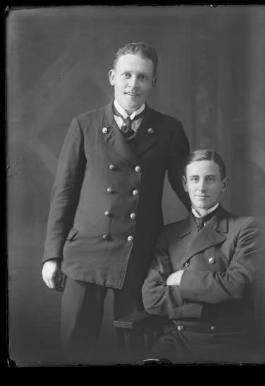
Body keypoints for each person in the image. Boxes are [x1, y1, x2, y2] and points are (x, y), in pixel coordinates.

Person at [41, 42, 190, 362]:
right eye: (126, 75)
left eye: (142, 77)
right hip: (86, 254)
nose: (133, 84)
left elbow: (187, 190)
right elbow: (64, 192)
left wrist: (214, 236)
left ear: (153, 83)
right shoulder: (85, 125)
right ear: (112, 77)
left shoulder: (169, 129)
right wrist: (52, 255)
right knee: (75, 349)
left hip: (140, 255)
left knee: (137, 350)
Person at [142, 149, 259, 363]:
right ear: (185, 185)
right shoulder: (168, 234)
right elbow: (151, 298)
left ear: (223, 184)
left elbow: (238, 286)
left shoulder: (244, 228)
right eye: (195, 179)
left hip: (223, 340)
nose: (202, 188)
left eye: (210, 179)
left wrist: (181, 279)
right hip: (176, 339)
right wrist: (209, 297)